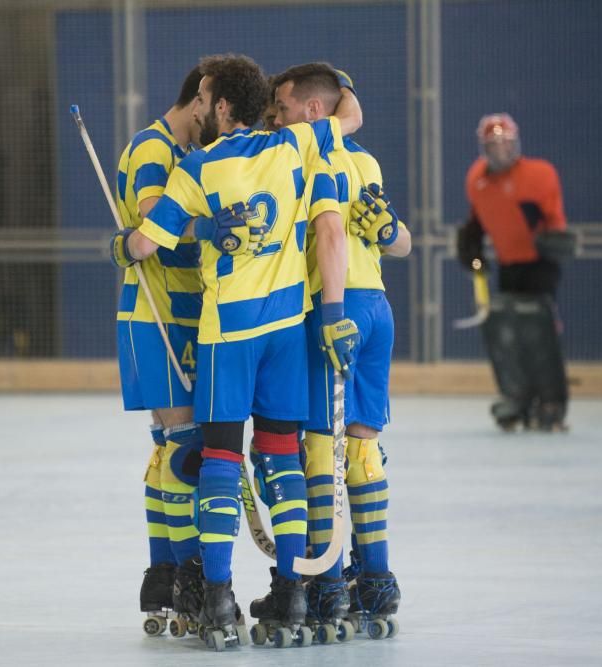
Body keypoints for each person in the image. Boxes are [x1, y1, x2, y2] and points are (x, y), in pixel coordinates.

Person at [110, 52, 359, 650]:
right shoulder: (295, 144)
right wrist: (333, 83)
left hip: (227, 336)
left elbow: (145, 242)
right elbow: (348, 113)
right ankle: (293, 590)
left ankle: (218, 597)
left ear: (220, 107)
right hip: (285, 332)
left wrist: (120, 247)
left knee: (220, 461)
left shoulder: (196, 169)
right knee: (282, 459)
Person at [271, 63, 410, 641]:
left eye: (281, 106)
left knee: (321, 448)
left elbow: (330, 235)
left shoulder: (315, 157)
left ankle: (326, 585)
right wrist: (389, 231)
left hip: (339, 306)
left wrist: (329, 312)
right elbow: (399, 243)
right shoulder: (367, 160)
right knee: (365, 444)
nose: (274, 117)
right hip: (379, 305)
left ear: (311, 112)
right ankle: (374, 580)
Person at [110, 65, 207, 634]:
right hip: (158, 313)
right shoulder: (154, 148)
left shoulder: (175, 147)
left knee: (169, 446)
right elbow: (152, 223)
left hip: (175, 313)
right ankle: (183, 576)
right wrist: (213, 224)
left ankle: (164, 575)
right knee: (184, 447)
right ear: (199, 101)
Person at [457, 113, 574, 432]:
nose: (499, 152)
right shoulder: (477, 180)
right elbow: (478, 220)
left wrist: (554, 243)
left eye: (505, 144)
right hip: (508, 264)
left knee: (539, 331)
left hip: (539, 264)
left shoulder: (540, 175)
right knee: (505, 331)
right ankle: (516, 395)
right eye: (492, 146)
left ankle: (551, 401)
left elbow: (552, 222)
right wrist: (471, 245)